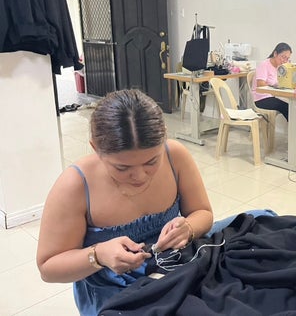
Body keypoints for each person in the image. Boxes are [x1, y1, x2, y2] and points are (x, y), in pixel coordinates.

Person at [36, 89, 274, 315]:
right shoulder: (76, 185)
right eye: (122, 168)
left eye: (151, 162)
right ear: (96, 149)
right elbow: (48, 267)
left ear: (164, 139)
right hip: (114, 285)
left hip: (177, 258)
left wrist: (188, 228)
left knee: (263, 221)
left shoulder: (174, 155)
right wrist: (98, 255)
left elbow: (202, 212)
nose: (139, 176)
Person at [252, 42, 296, 139]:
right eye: (283, 57)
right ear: (275, 54)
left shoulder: (282, 67)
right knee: (289, 108)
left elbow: (286, 80)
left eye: (287, 58)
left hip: (275, 96)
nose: (284, 60)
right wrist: (275, 86)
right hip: (262, 99)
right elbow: (260, 84)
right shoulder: (264, 65)